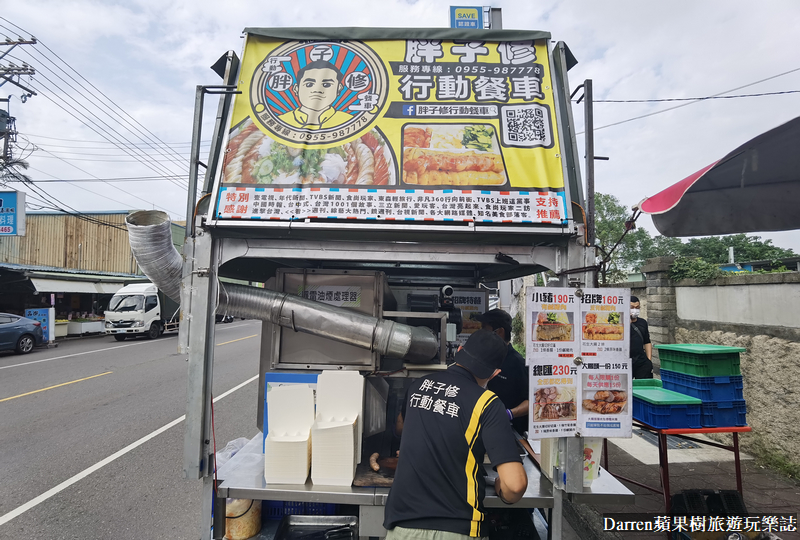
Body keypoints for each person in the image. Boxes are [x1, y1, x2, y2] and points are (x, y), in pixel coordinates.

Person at [384, 329, 528, 539]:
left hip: (402, 525)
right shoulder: (487, 402)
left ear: (459, 351)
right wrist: (502, 491)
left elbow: (401, 428)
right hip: (459, 527)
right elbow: (515, 486)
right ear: (495, 373)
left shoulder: (417, 387)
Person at [473, 309, 529, 436]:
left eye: (484, 329)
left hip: (510, 433)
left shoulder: (517, 363)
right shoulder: (484, 358)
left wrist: (509, 413)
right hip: (482, 428)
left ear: (499, 332)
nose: (481, 334)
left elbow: (532, 401)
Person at [278, 60, 353, 130]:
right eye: (309, 84)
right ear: (296, 88)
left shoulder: (348, 121)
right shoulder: (281, 121)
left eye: (326, 85)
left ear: (339, 89)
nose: (317, 90)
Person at [629, 296, 653, 379]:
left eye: (637, 307)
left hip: (641, 360)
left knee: (644, 386)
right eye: (632, 307)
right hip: (626, 361)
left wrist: (649, 360)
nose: (635, 310)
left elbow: (647, 341)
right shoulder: (620, 323)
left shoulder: (643, 322)